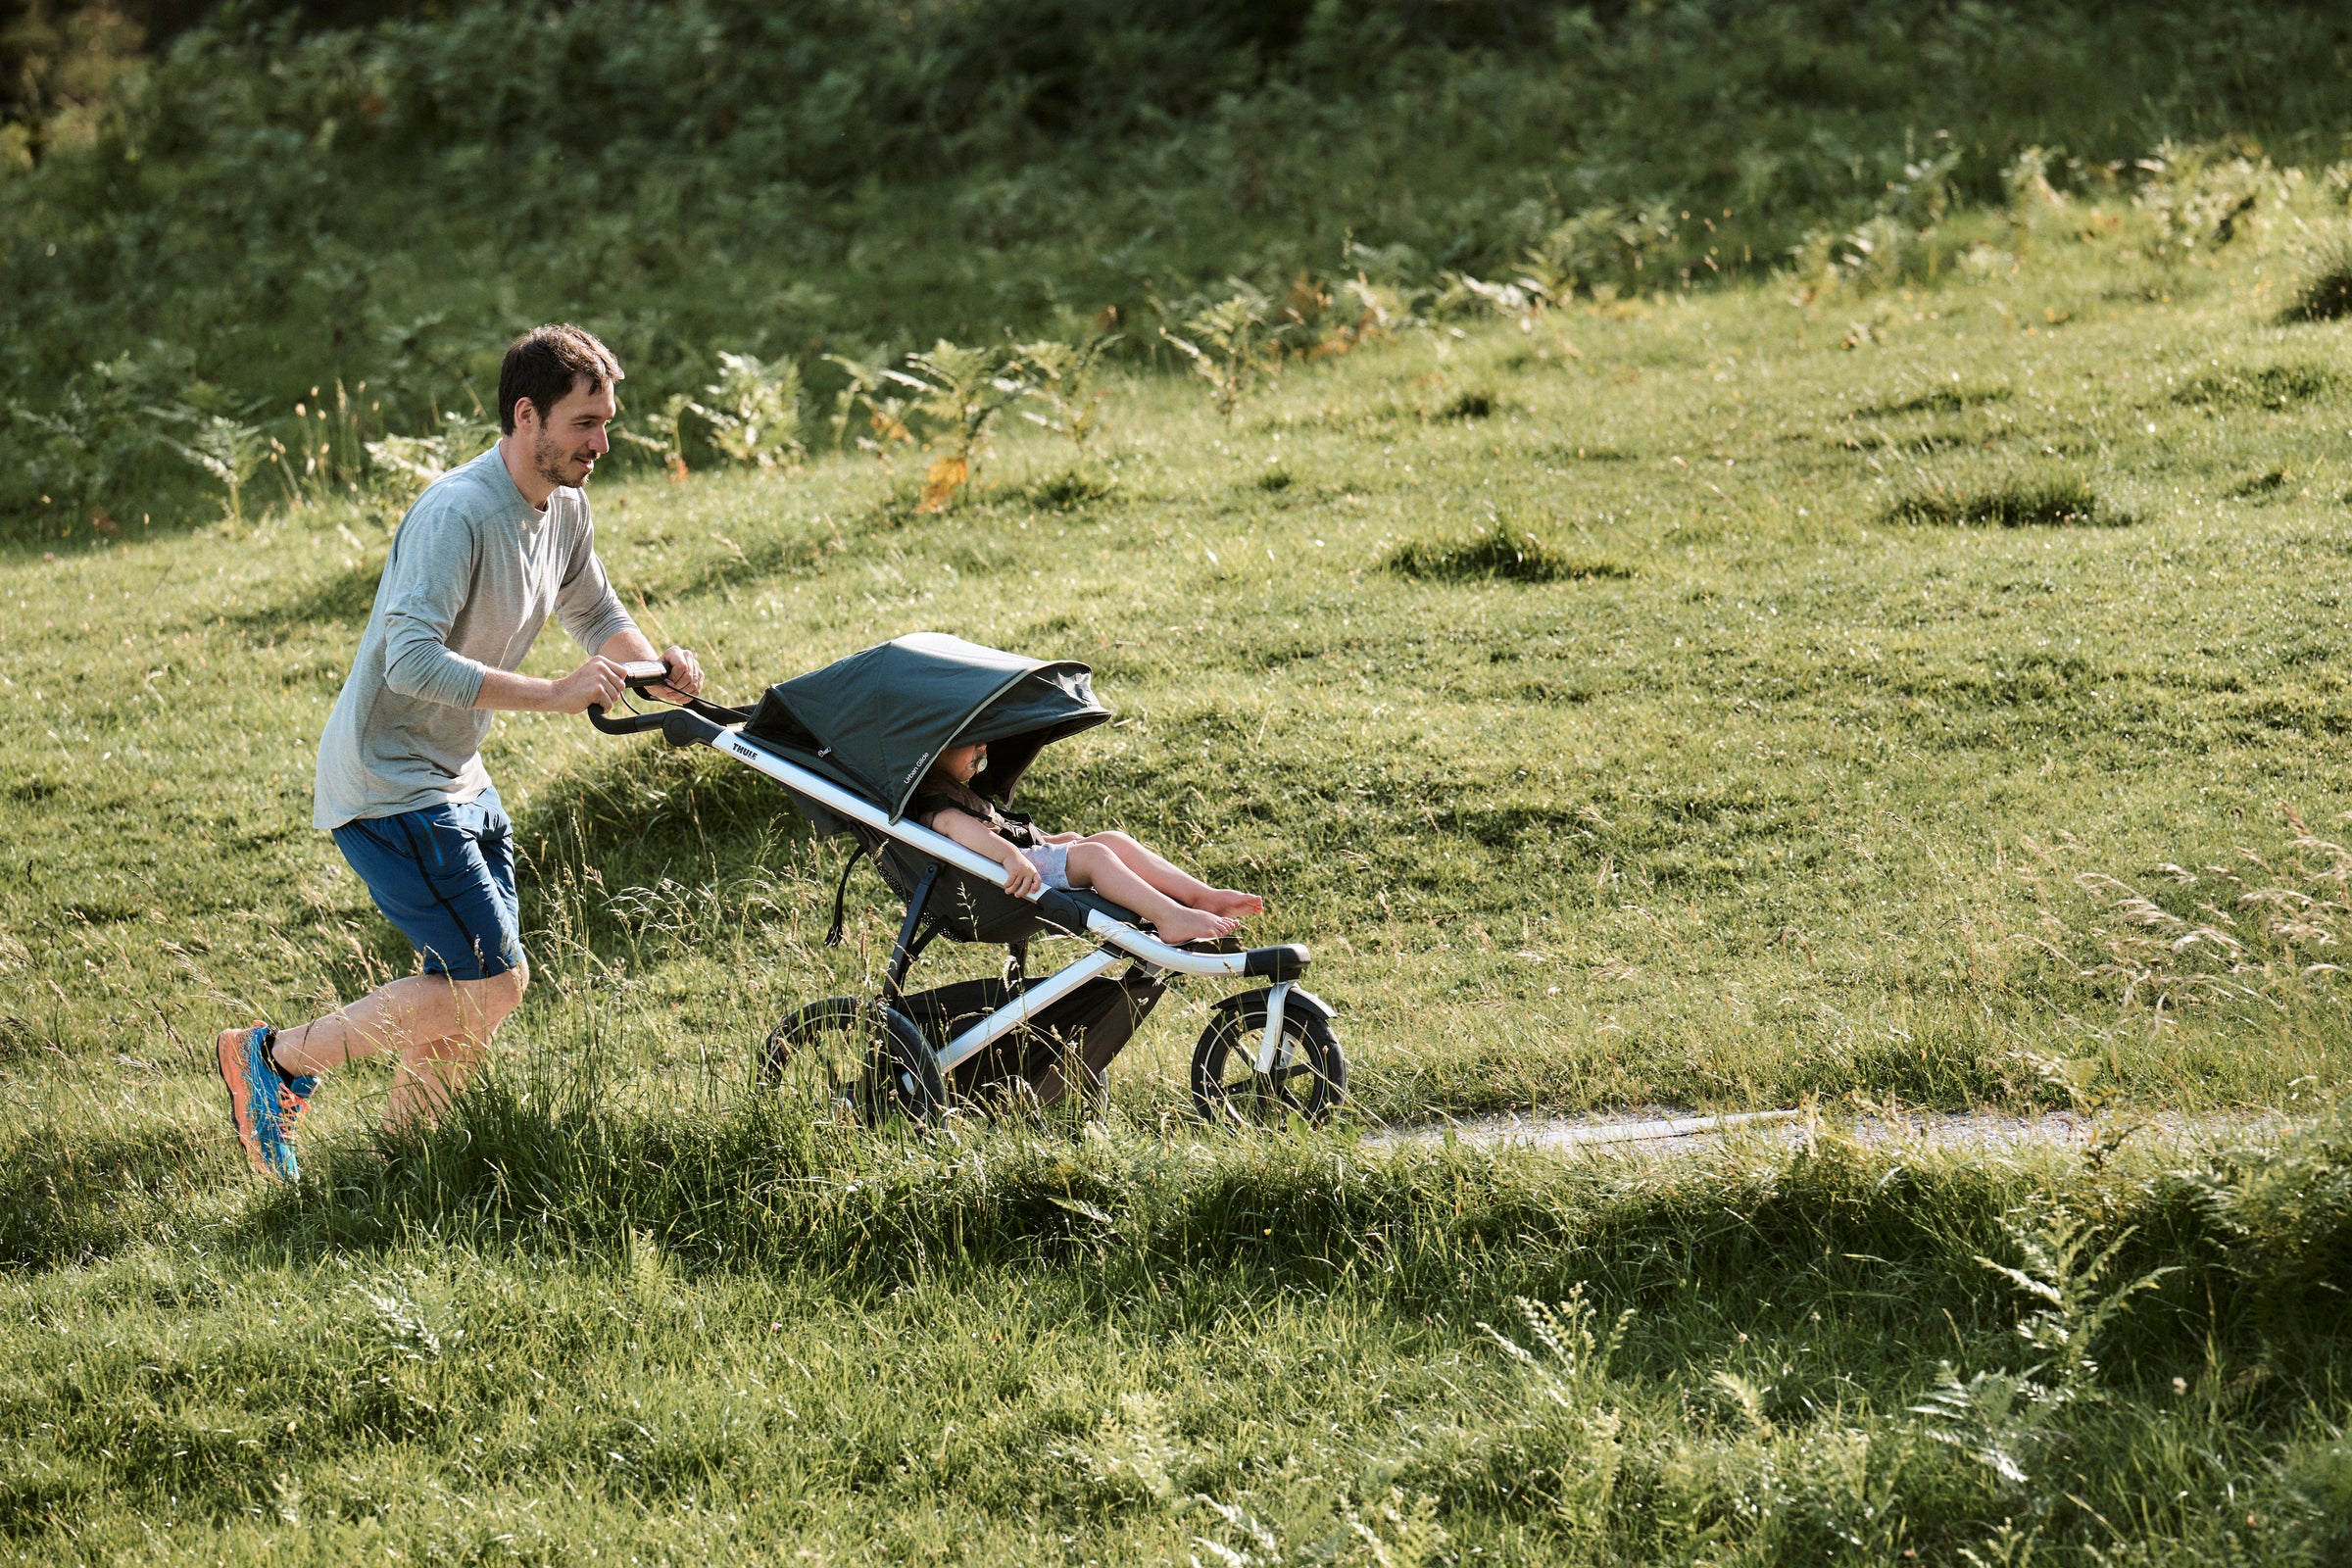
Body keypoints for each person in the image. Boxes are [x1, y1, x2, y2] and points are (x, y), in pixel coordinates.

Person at [216, 323, 705, 1182]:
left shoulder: (566, 508)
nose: (601, 443)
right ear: (528, 416)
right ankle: (277, 1060)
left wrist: (654, 667)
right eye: (586, 423)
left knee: (474, 993)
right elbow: (408, 659)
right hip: (389, 779)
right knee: (494, 984)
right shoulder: (458, 513)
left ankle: (396, 1169)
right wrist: (554, 693)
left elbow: (594, 614)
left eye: (607, 423)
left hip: (456, 775)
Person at [913, 741, 1261, 945]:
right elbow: (969, 834)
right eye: (973, 748)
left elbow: (1000, 829)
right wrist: (1011, 859)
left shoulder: (955, 792)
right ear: (936, 748)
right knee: (1095, 857)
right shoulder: (936, 805)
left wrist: (1054, 841)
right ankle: (1169, 916)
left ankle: (1201, 896)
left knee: (1111, 840)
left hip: (1023, 861)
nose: (982, 753)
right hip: (1012, 878)